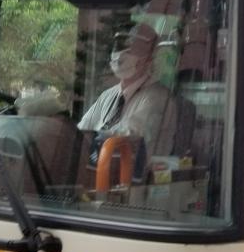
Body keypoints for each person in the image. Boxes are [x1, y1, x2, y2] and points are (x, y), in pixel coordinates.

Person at [78, 23, 187, 182]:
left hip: (137, 183)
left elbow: (128, 138)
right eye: (120, 47)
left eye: (133, 49)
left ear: (150, 58)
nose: (121, 55)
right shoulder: (108, 95)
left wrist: (92, 141)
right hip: (99, 175)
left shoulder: (157, 97)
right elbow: (82, 132)